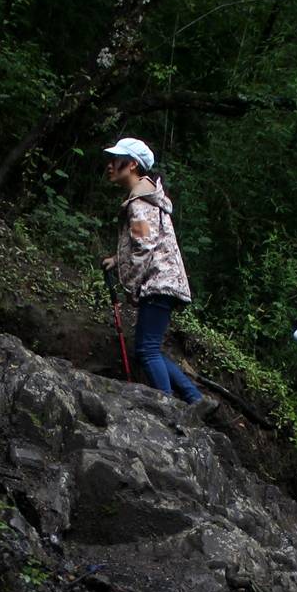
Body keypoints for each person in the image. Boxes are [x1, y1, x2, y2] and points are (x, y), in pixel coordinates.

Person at [102, 137, 214, 414]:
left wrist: (132, 287)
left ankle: (166, 408)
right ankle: (195, 399)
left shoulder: (140, 202)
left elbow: (144, 246)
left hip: (157, 281)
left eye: (116, 160)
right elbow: (149, 240)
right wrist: (118, 259)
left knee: (147, 351)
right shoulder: (148, 198)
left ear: (131, 165)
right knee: (151, 348)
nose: (109, 165)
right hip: (166, 281)